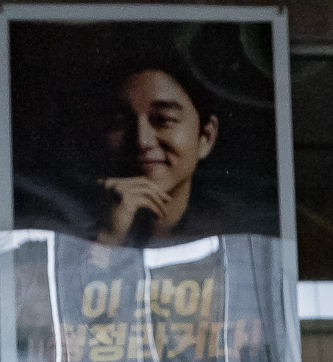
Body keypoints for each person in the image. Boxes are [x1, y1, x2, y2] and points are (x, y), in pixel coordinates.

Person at [86, 62, 249, 249]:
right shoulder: (71, 217)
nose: (142, 140)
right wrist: (109, 237)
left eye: (163, 120)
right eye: (119, 122)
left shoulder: (234, 237)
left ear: (205, 137)